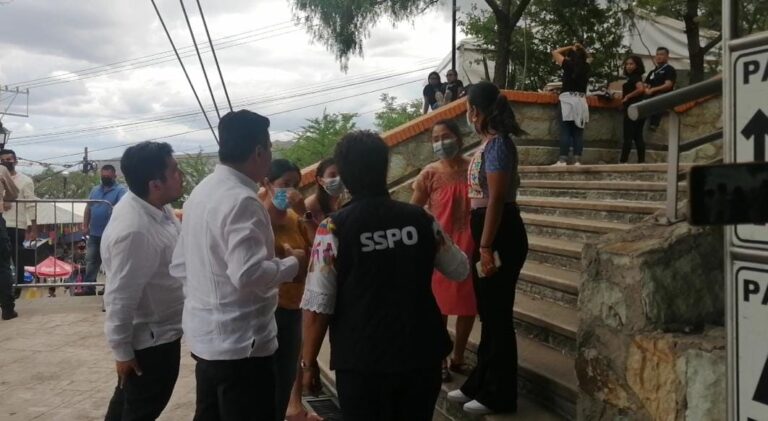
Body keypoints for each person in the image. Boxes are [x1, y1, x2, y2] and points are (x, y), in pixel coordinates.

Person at [300, 130, 470, 421]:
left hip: (362, 360)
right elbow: (460, 268)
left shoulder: (332, 228)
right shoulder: (421, 219)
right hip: (421, 354)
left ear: (345, 175)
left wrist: (309, 362)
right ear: (384, 168)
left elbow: (318, 307)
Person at [170, 110, 306, 421]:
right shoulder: (243, 200)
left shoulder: (200, 193)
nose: (270, 156)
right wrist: (292, 263)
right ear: (259, 152)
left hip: (207, 341)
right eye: (269, 148)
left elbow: (179, 265)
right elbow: (248, 274)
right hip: (243, 346)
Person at [447, 81, 529, 415]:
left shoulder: (499, 145)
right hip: (487, 226)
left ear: (476, 111)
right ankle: (480, 382)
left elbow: (496, 199)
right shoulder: (488, 144)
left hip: (499, 231)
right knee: (489, 313)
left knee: (497, 315)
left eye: (468, 108)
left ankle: (500, 394)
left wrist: (485, 246)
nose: (468, 114)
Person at [102, 141, 185, 421]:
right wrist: (122, 352)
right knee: (141, 408)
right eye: (174, 171)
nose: (180, 175)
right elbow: (120, 297)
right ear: (155, 184)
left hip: (165, 331)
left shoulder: (158, 207)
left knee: (129, 406)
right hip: (151, 342)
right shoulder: (135, 230)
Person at [410, 120, 476, 383]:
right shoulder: (429, 174)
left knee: (468, 306)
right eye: (436, 139)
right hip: (440, 250)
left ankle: (459, 356)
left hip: (471, 246)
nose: (441, 142)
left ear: (458, 138)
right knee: (439, 310)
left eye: (446, 136)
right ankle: (441, 359)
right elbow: (414, 212)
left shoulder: (474, 167)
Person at [260, 159, 319, 421]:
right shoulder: (258, 219)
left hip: (294, 305)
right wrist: (290, 257)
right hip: (268, 308)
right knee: (265, 378)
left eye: (296, 185)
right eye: (285, 184)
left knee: (286, 373)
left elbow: (318, 249)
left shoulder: (295, 218)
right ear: (268, 184)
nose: (291, 191)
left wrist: (304, 212)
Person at [84, 165, 127, 294]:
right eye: (103, 176)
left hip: (111, 234)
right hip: (94, 233)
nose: (105, 178)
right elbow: (88, 209)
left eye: (108, 176)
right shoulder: (95, 190)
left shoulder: (121, 191)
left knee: (110, 262)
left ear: (114, 176)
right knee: (91, 260)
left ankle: (108, 288)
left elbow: (122, 209)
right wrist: (85, 225)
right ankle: (88, 288)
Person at [0, 150, 37, 296]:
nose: (6, 162)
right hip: (2, 223)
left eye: (9, 159)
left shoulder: (25, 181)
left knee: (17, 257)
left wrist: (34, 228)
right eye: (3, 160)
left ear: (15, 161)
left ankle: (18, 287)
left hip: (16, 224)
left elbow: (31, 205)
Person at [551, 43, 591, 166]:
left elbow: (555, 52)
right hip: (581, 101)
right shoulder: (586, 66)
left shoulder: (568, 64)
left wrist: (570, 47)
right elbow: (589, 57)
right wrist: (581, 48)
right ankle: (577, 160)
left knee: (566, 131)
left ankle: (562, 159)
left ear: (570, 56)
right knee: (578, 132)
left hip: (567, 100)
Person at [620, 56, 647, 163]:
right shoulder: (634, 77)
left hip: (632, 109)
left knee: (628, 136)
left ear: (637, 65)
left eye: (631, 64)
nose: (628, 66)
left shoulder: (635, 77)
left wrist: (628, 96)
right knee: (638, 136)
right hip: (639, 109)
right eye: (627, 64)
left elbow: (640, 89)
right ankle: (641, 161)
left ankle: (623, 161)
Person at [0, 164, 19, 320]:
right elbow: (13, 193)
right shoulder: (1, 170)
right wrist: (4, 199)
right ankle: (7, 309)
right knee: (3, 266)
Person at [644, 47, 677, 130]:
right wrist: (646, 89)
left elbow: (668, 85)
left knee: (658, 100)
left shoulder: (669, 69)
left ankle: (654, 124)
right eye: (657, 54)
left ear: (667, 57)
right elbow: (645, 84)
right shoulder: (652, 71)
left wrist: (653, 90)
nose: (659, 56)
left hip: (664, 96)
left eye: (661, 54)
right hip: (650, 96)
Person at [304, 158, 343, 226]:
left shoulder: (346, 198)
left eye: (341, 174)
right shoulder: (310, 206)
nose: (339, 179)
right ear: (320, 180)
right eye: (332, 175)